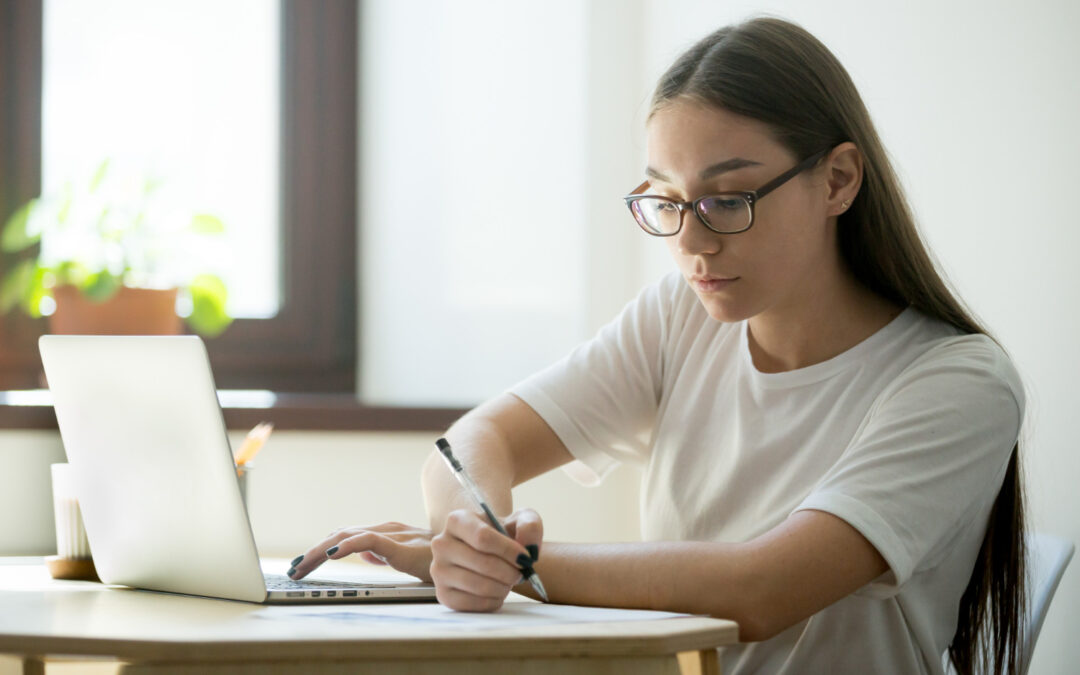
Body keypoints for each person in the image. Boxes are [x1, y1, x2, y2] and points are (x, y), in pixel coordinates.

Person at [289, 17, 1025, 675]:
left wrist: (516, 566)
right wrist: (473, 536)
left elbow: (760, 589)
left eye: (727, 201)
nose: (692, 243)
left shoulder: (957, 382)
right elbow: (479, 438)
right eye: (667, 202)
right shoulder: (684, 316)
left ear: (837, 180)